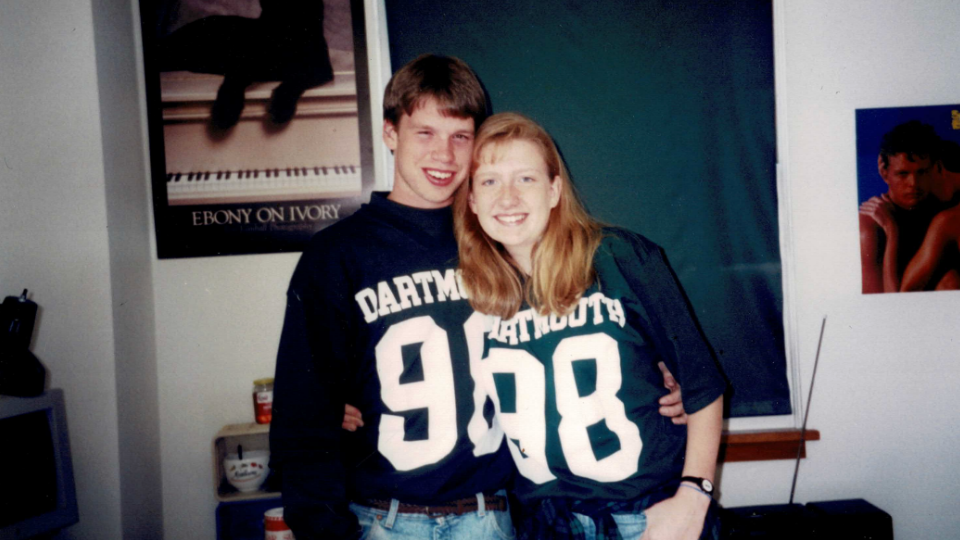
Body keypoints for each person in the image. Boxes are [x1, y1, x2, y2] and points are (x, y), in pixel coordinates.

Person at [270, 55, 688, 540]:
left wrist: (659, 375)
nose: (444, 156)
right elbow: (302, 424)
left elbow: (581, 333)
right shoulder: (336, 255)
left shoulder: (502, 236)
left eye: (460, 136)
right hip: (382, 518)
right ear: (390, 133)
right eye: (425, 133)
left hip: (492, 516)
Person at [453, 112, 726, 540]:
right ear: (470, 199)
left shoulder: (618, 258)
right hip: (546, 524)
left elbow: (703, 384)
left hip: (647, 513)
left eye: (525, 179)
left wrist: (695, 496)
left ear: (555, 189)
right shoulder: (472, 292)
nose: (507, 198)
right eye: (489, 181)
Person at [859, 121, 944, 293]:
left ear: (934, 168)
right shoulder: (869, 227)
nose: (914, 184)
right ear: (884, 172)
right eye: (902, 174)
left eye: (922, 172)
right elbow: (879, 305)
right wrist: (891, 229)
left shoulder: (943, 214)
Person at [900, 139, 960, 291]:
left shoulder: (948, 220)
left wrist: (892, 233)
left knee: (948, 282)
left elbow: (905, 292)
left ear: (939, 168)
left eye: (923, 174)